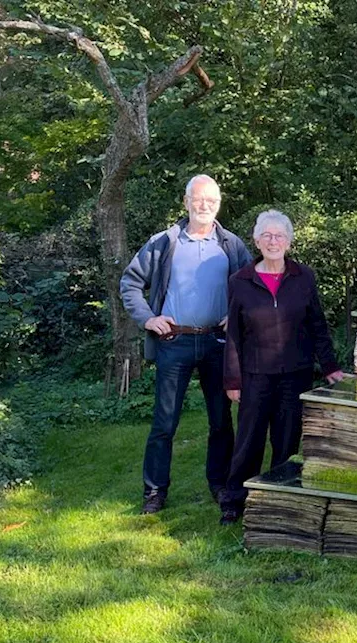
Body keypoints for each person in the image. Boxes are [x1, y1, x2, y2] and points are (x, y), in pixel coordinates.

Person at [120, 175, 253, 514]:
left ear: (219, 204)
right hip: (174, 341)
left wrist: (235, 315)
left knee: (221, 421)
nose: (205, 205)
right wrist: (148, 318)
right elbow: (130, 283)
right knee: (165, 422)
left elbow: (251, 288)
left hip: (218, 343)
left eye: (211, 200)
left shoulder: (232, 245)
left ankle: (221, 485)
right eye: (198, 199)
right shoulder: (165, 242)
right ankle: (154, 492)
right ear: (186, 202)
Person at [221, 210, 346, 523]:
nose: (273, 241)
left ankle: (279, 499)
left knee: (287, 439)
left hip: (295, 374)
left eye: (279, 235)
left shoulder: (304, 277)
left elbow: (317, 324)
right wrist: (232, 379)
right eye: (267, 235)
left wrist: (329, 366)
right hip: (254, 376)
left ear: (289, 241)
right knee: (248, 440)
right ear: (256, 240)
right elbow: (234, 335)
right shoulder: (241, 282)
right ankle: (235, 499)